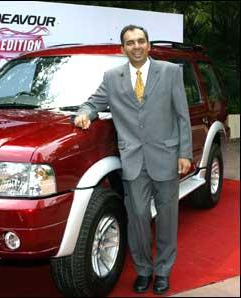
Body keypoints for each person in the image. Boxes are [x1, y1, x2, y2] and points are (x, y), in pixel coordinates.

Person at [74, 25, 192, 295]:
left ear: (148, 45)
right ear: (122, 49)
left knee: (166, 218)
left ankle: (162, 271)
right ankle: (143, 270)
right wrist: (85, 114)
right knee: (137, 217)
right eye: (130, 43)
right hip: (133, 161)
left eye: (140, 41)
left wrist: (184, 153)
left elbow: (182, 116)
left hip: (165, 156)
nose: (136, 46)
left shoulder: (171, 72)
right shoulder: (112, 77)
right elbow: (93, 103)